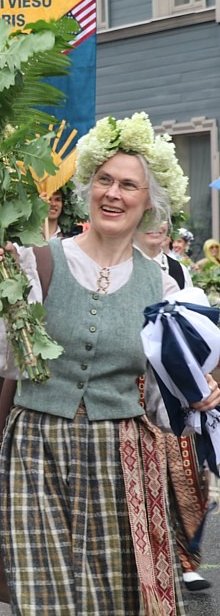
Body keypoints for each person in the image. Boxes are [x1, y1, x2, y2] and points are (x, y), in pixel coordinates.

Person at [0, 112, 213, 614]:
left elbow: (162, 399)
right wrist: (5, 300)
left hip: (121, 453)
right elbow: (4, 362)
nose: (113, 193)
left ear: (148, 201)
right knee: (46, 598)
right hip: (37, 447)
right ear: (88, 187)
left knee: (112, 598)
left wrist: (199, 392)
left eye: (128, 185)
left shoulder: (164, 288)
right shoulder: (37, 261)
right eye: (104, 180)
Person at [134, 226, 211, 592]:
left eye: (163, 219)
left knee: (186, 472)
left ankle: (187, 558)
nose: (157, 226)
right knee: (142, 474)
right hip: (131, 383)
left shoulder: (178, 271)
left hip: (171, 383)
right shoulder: (120, 265)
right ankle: (147, 562)